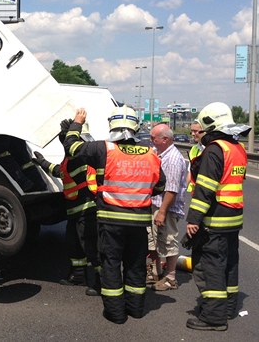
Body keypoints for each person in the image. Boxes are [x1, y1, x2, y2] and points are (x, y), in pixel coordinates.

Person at [64, 105, 165, 324]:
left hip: (111, 220)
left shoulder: (103, 149)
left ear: (112, 125)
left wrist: (77, 123)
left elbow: (72, 148)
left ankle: (116, 314)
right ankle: (136, 309)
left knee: (110, 264)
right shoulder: (150, 153)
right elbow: (159, 186)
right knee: (136, 264)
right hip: (139, 222)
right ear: (135, 126)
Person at [184, 102, 250, 331]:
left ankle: (213, 317)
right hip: (233, 219)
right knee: (229, 265)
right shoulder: (237, 148)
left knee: (209, 266)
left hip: (215, 220)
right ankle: (229, 308)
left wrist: (193, 219)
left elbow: (205, 189)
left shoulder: (215, 149)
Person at [32, 122, 101, 296]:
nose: (64, 143)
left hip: (88, 210)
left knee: (92, 247)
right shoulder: (69, 161)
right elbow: (60, 171)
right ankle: (78, 275)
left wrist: (70, 132)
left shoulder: (82, 157)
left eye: (65, 140)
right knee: (74, 244)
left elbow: (64, 170)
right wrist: (42, 163)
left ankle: (102, 281)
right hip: (75, 212)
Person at [146, 124, 188, 291]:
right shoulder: (159, 154)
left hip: (166, 208)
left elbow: (171, 189)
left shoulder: (173, 159)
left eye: (153, 138)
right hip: (156, 203)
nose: (150, 140)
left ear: (165, 139)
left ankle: (170, 278)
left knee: (168, 241)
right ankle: (155, 271)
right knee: (154, 241)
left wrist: (162, 212)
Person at [187, 121, 206, 192]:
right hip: (195, 192)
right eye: (191, 131)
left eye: (195, 131)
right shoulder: (194, 149)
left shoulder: (211, 148)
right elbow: (190, 172)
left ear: (204, 131)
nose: (192, 134)